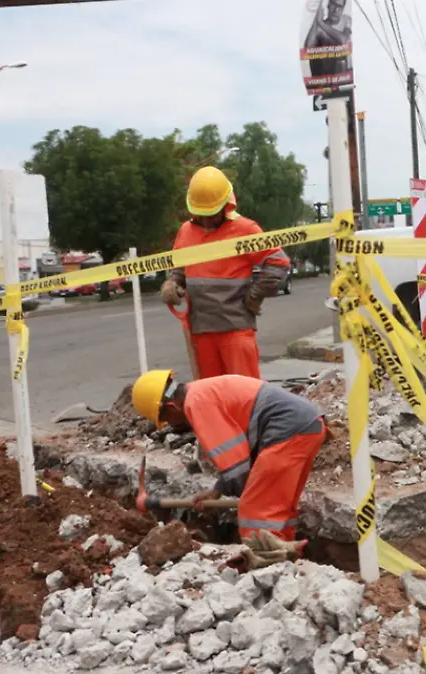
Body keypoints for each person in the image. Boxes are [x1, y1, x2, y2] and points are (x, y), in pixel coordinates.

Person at [131, 368, 329, 548]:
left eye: (165, 419)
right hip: (306, 426)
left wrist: (247, 494)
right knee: (278, 508)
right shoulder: (202, 391)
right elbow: (241, 452)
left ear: (172, 407)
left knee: (255, 512)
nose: (170, 425)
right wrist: (218, 490)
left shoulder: (197, 404)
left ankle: (268, 566)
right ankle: (287, 561)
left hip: (288, 432)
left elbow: (237, 466)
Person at [160, 167, 291, 380]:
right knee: (211, 396)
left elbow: (279, 262)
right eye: (202, 215)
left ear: (226, 205)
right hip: (200, 329)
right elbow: (180, 268)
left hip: (236, 330)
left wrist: (256, 293)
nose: (207, 221)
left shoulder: (245, 230)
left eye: (212, 214)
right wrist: (173, 283)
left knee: (244, 394)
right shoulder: (186, 232)